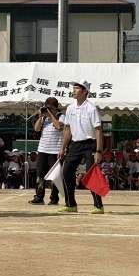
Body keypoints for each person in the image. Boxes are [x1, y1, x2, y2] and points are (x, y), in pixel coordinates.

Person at [59, 81, 104, 214]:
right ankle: (70, 204)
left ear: (85, 91)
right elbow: (67, 129)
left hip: (90, 144)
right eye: (73, 88)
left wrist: (99, 151)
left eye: (77, 88)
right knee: (66, 172)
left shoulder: (91, 108)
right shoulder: (70, 108)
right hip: (75, 144)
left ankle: (98, 206)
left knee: (91, 174)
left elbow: (98, 130)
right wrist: (62, 148)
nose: (73, 90)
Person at [29, 97, 65, 205]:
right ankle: (39, 197)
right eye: (46, 108)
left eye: (50, 108)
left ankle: (54, 198)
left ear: (55, 108)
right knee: (40, 175)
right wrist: (41, 116)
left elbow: (59, 126)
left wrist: (51, 115)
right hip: (42, 150)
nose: (47, 110)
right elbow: (36, 129)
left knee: (54, 176)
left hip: (55, 151)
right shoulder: (44, 118)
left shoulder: (61, 116)